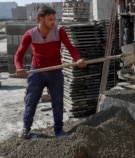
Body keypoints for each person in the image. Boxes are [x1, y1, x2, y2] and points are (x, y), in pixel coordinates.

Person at [14, 5, 87, 139]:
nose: (53, 22)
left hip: (55, 71)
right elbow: (19, 55)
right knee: (31, 100)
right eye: (50, 19)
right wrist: (19, 67)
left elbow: (71, 48)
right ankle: (26, 128)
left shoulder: (59, 31)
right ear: (40, 19)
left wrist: (78, 59)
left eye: (54, 19)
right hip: (37, 71)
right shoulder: (30, 35)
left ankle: (58, 130)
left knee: (57, 101)